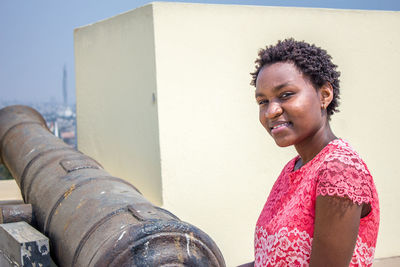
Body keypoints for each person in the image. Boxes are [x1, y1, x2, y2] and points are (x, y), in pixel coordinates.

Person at [239, 39, 379, 267]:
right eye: (262, 101)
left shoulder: (339, 169)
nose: (271, 111)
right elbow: (272, 260)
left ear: (324, 95)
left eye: (285, 95)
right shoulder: (295, 167)